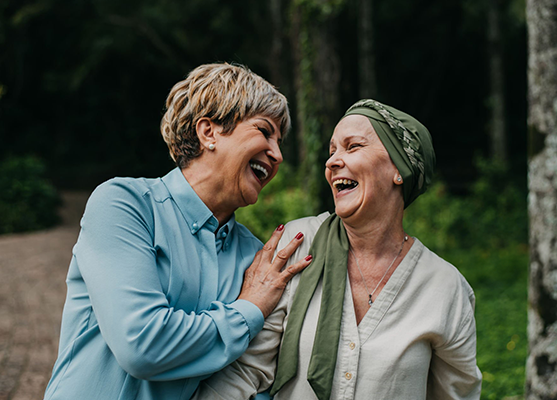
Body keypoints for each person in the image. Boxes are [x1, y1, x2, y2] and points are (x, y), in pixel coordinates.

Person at [43, 63, 313, 400]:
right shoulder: (124, 205)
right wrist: (250, 309)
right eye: (264, 131)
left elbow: (249, 377)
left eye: (279, 140)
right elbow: (142, 344)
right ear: (208, 132)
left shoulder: (255, 259)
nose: (277, 154)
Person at [193, 99, 482, 399]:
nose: (331, 162)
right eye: (332, 151)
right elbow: (248, 369)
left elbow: (457, 395)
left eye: (353, 146)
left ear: (400, 169)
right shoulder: (297, 242)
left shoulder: (446, 288)